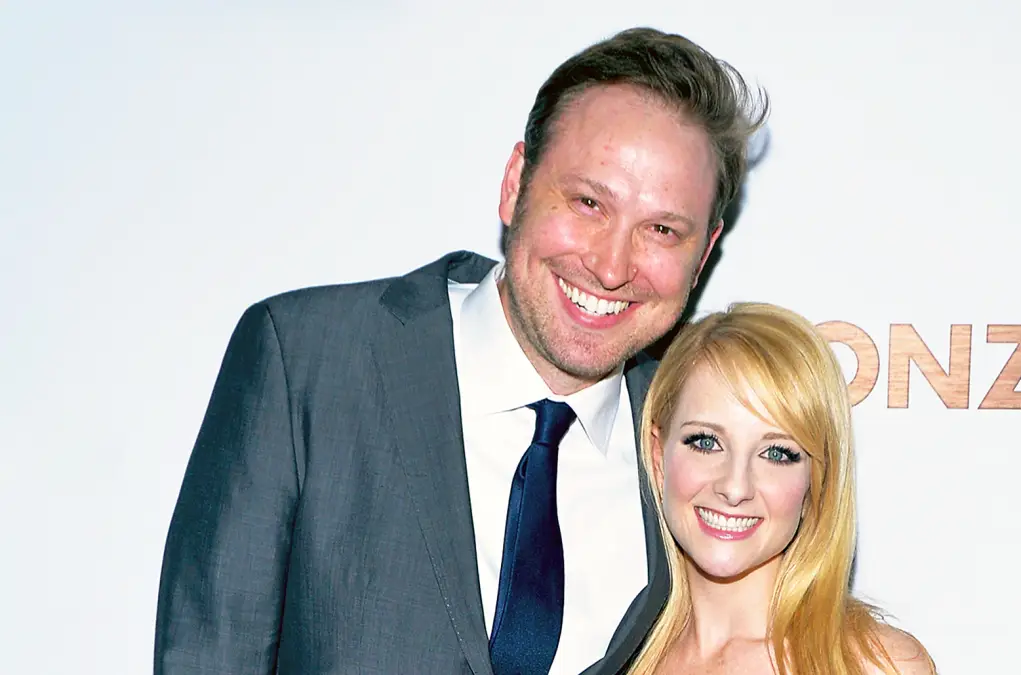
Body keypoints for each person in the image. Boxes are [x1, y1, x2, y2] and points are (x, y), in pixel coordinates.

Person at [153, 27, 768, 675]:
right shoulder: (306, 359)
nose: (612, 267)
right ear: (515, 184)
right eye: (588, 202)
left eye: (662, 230)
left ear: (703, 253)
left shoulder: (700, 450)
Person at [628, 303, 936, 675]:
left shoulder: (876, 665)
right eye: (706, 442)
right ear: (658, 457)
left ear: (815, 483)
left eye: (776, 453)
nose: (735, 487)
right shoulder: (611, 658)